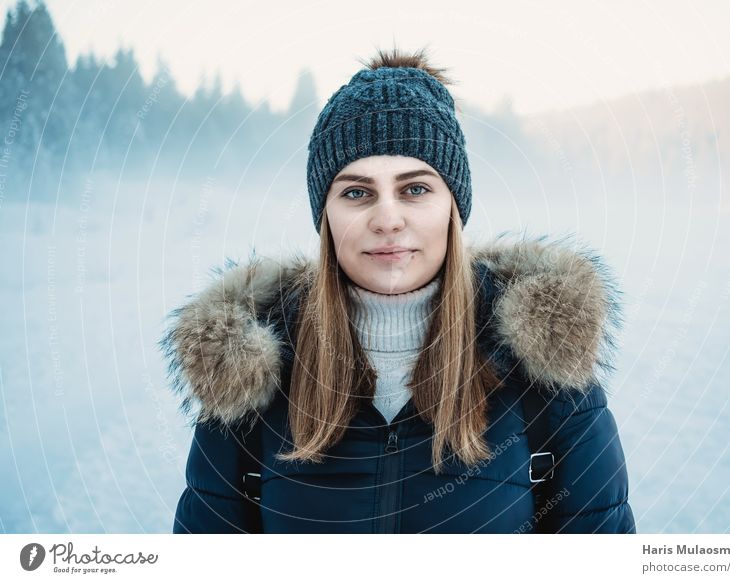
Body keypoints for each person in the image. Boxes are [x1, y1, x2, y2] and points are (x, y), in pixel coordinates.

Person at [160, 47, 636, 534]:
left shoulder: (545, 374)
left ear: (453, 206)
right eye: (356, 192)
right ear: (325, 216)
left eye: (415, 189)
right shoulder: (250, 377)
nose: (387, 219)